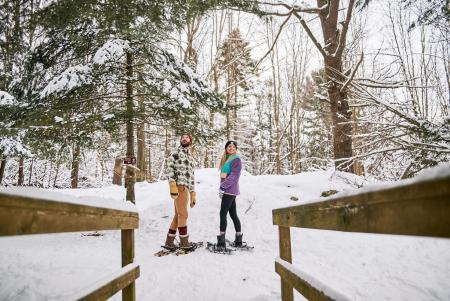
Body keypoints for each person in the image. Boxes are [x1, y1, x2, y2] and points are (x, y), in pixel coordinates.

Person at [164, 133, 196, 250]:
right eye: (182, 138)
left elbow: (192, 177)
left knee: (178, 216)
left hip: (186, 189)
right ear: (180, 141)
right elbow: (169, 167)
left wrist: (193, 193)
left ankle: (169, 242)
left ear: (190, 141)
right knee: (183, 215)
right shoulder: (176, 153)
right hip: (178, 187)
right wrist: (172, 184)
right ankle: (184, 243)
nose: (184, 139)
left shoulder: (191, 158)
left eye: (187, 137)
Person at [217, 140, 243, 248]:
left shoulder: (236, 159)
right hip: (230, 190)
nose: (231, 148)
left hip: (229, 190)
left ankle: (221, 241)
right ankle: (238, 240)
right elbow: (224, 175)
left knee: (223, 214)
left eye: (233, 146)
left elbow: (233, 176)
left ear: (236, 149)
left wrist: (223, 187)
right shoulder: (228, 159)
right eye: (229, 146)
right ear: (226, 148)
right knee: (233, 214)